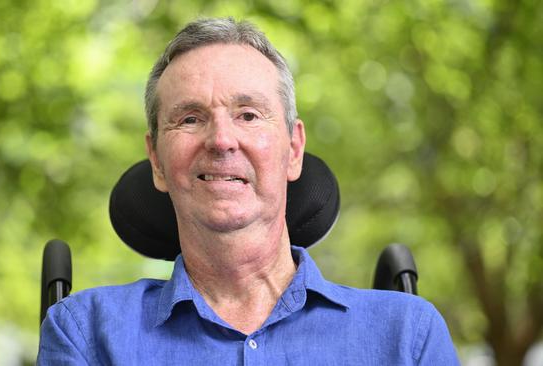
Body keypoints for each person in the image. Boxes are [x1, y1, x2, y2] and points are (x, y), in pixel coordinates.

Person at [38, 18, 459, 365]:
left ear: (294, 149)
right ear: (157, 162)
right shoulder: (86, 332)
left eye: (248, 115)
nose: (221, 140)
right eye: (189, 119)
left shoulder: (406, 336)